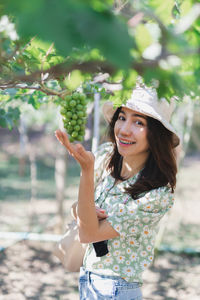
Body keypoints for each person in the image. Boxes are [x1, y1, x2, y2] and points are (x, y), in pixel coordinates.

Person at [55, 84, 180, 300]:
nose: (123, 129)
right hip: (88, 280)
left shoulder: (157, 194)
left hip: (116, 289)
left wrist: (86, 171)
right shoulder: (105, 157)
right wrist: (83, 212)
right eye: (122, 117)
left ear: (156, 134)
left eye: (138, 122)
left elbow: (88, 234)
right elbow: (77, 209)